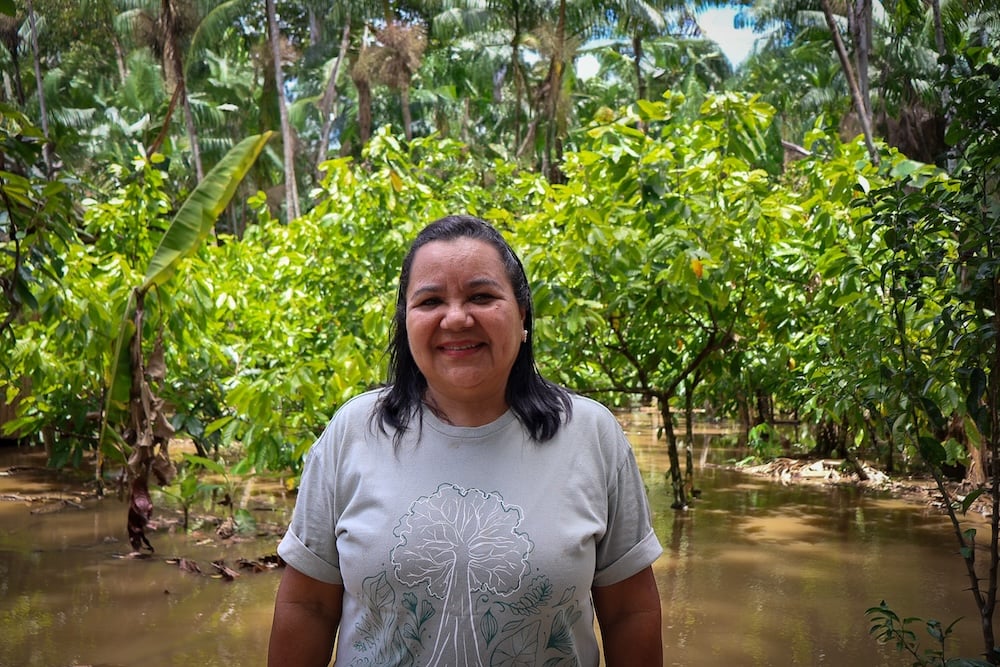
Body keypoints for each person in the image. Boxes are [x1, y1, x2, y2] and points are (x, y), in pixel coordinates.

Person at [268, 214, 663, 666]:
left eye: (481, 296)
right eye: (430, 300)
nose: (456, 318)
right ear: (406, 321)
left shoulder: (592, 435)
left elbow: (630, 611)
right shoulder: (354, 431)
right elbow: (309, 607)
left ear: (522, 313)